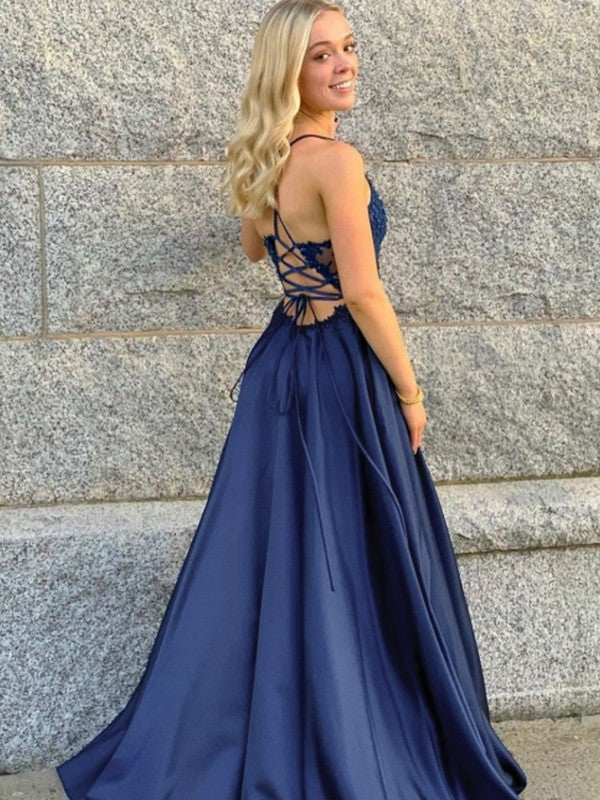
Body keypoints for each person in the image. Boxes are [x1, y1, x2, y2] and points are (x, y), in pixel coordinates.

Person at [55, 1, 528, 797]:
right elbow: (364, 294)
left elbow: (255, 247)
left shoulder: (272, 155)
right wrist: (410, 391)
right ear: (290, 71)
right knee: (353, 547)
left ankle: (280, 723)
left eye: (348, 47)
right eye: (321, 55)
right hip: (341, 368)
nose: (344, 65)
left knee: (279, 549)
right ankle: (352, 728)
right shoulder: (337, 163)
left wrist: (267, 164)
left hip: (282, 368)